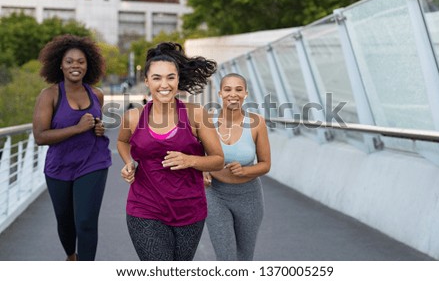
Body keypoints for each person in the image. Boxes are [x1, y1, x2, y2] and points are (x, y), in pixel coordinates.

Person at [117, 42, 224, 261]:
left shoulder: (196, 114)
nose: (164, 84)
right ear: (146, 81)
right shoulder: (133, 118)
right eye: (156, 78)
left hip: (190, 210)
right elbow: (122, 142)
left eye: (170, 77)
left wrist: (190, 160)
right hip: (144, 208)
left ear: (178, 80)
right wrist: (129, 162)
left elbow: (218, 160)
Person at [32, 34, 112, 261]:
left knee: (86, 222)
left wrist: (98, 127)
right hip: (60, 166)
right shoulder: (49, 96)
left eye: (80, 61)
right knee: (65, 222)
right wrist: (77, 129)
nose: (75, 65)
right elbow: (40, 136)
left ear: (88, 65)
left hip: (93, 162)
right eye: (69, 61)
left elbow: (96, 123)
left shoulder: (96, 94)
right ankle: (71, 256)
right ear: (60, 64)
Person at [203, 73, 271, 261]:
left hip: (249, 197)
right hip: (216, 194)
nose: (233, 94)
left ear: (246, 94)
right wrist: (203, 170)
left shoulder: (257, 123)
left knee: (244, 258)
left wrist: (245, 171)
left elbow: (266, 164)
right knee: (226, 258)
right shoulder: (207, 122)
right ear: (220, 93)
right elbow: (199, 156)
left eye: (238, 89)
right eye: (228, 89)